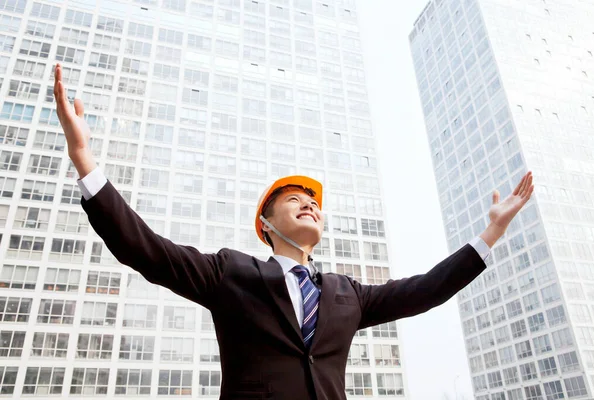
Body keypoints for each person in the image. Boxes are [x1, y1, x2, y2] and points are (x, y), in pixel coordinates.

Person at [53, 63, 534, 399]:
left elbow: (425, 290)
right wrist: (84, 161)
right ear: (265, 224)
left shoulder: (348, 294)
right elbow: (147, 250)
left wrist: (488, 235)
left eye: (315, 203)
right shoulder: (231, 273)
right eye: (294, 200)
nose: (309, 205)